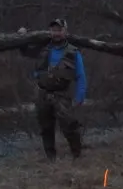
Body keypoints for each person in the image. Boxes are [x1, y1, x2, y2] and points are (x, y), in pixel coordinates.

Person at [19, 18, 87, 161]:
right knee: (46, 128)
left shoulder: (73, 52)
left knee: (69, 126)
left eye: (59, 30)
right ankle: (51, 158)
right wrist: (22, 36)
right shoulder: (43, 48)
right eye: (53, 30)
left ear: (65, 31)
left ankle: (77, 155)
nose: (56, 33)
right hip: (42, 93)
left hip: (62, 94)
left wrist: (79, 98)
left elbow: (81, 77)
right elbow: (25, 52)